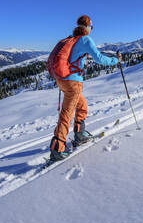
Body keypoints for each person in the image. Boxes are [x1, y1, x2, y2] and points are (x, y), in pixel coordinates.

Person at [49, 15, 122, 161]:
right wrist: (116, 60)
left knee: (81, 106)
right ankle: (58, 148)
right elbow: (100, 58)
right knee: (66, 114)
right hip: (73, 82)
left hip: (62, 80)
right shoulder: (85, 39)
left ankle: (80, 135)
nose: (91, 30)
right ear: (88, 27)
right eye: (91, 27)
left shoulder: (71, 38)